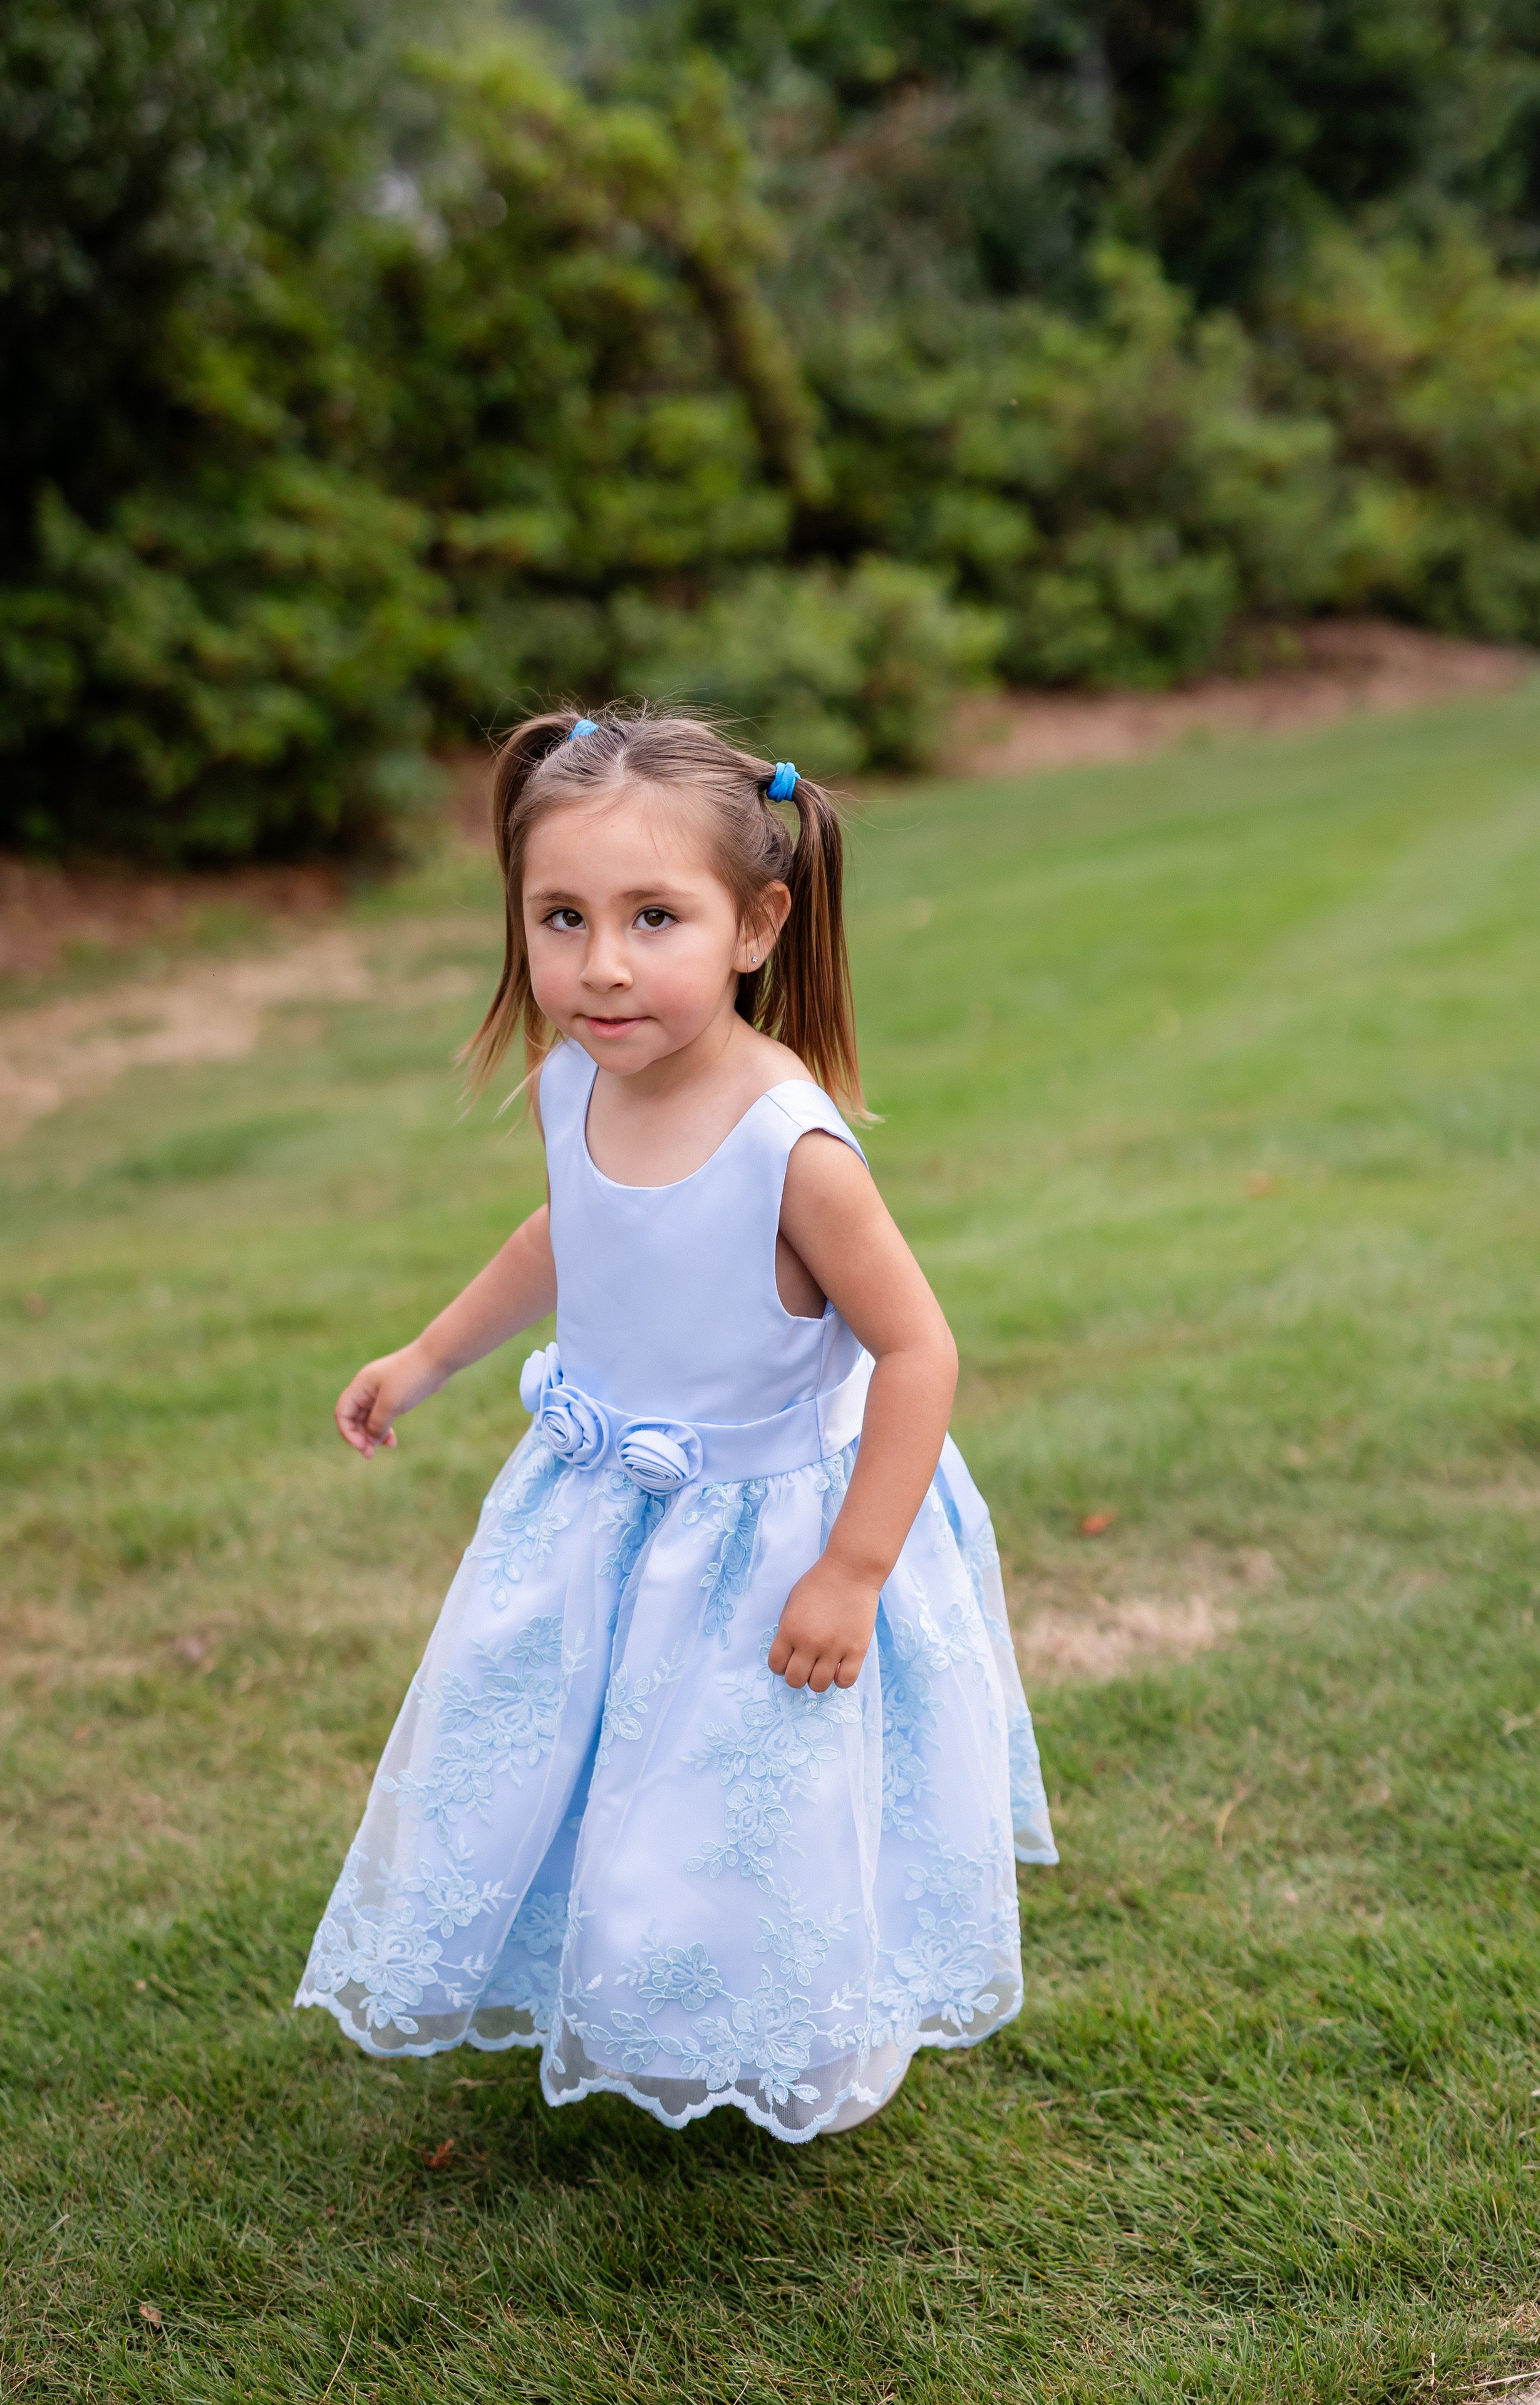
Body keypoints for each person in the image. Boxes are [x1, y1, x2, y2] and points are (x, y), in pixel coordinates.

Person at [295, 706, 1057, 2141]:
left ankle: (791, 2042)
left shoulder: (791, 1145)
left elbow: (915, 1348)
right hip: (599, 1513)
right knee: (584, 1761)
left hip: (765, 1538)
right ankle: (628, 1993)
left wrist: (851, 1566)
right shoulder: (571, 1078)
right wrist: (428, 1354)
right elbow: (564, 1236)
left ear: (756, 925)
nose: (601, 964)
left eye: (654, 917)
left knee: (743, 1796)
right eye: (561, 916)